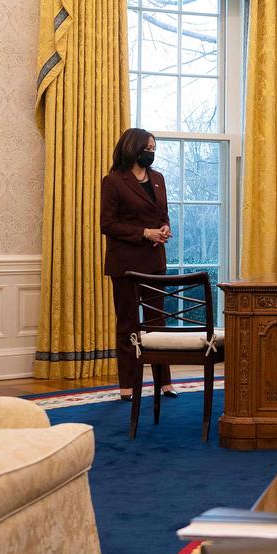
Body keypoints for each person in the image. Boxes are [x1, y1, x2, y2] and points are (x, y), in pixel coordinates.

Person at [101, 128, 177, 402]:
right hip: (126, 264)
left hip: (155, 261)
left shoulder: (158, 178)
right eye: (148, 148)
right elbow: (107, 225)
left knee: (159, 324)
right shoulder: (113, 181)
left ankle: (165, 382)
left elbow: (163, 214)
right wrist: (145, 232)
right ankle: (128, 386)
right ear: (133, 148)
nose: (152, 153)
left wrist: (165, 228)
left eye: (154, 148)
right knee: (128, 324)